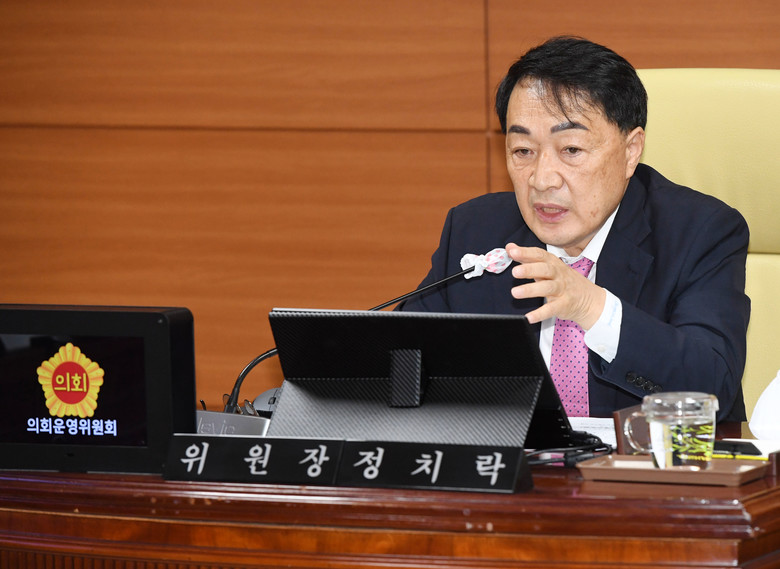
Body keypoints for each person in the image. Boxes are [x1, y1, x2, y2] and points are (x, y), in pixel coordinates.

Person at [400, 36, 750, 421]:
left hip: (643, 459)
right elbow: (399, 363)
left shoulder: (700, 232)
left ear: (631, 151)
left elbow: (712, 389)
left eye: (571, 150)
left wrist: (590, 306)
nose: (542, 179)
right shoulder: (475, 230)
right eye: (523, 151)